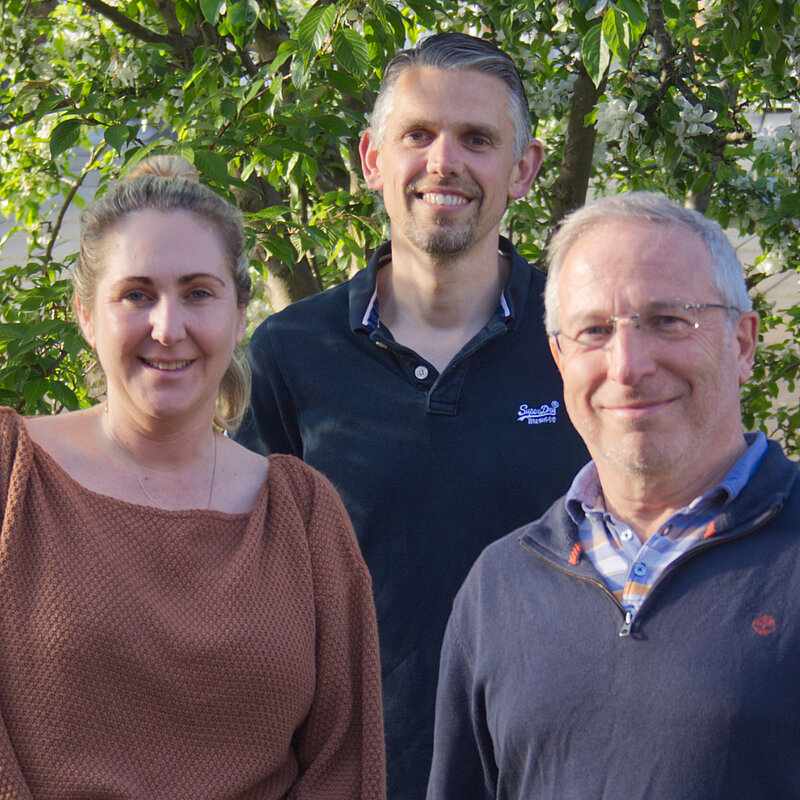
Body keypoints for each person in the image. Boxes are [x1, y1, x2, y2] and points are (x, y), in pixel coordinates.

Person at [233, 32, 588, 799]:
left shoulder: (586, 342)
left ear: (522, 169)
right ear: (371, 159)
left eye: (477, 139)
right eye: (417, 135)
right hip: (348, 779)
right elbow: (242, 588)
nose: (443, 163)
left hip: (556, 773)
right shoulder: (292, 355)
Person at [0, 156, 385, 799]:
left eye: (198, 292)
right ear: (87, 314)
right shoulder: (12, 476)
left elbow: (343, 762)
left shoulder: (301, 514)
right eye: (137, 294)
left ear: (239, 316)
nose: (167, 328)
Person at [427, 191, 800, 799]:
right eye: (594, 331)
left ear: (743, 342)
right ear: (559, 358)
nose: (627, 365)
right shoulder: (499, 588)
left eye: (668, 321)